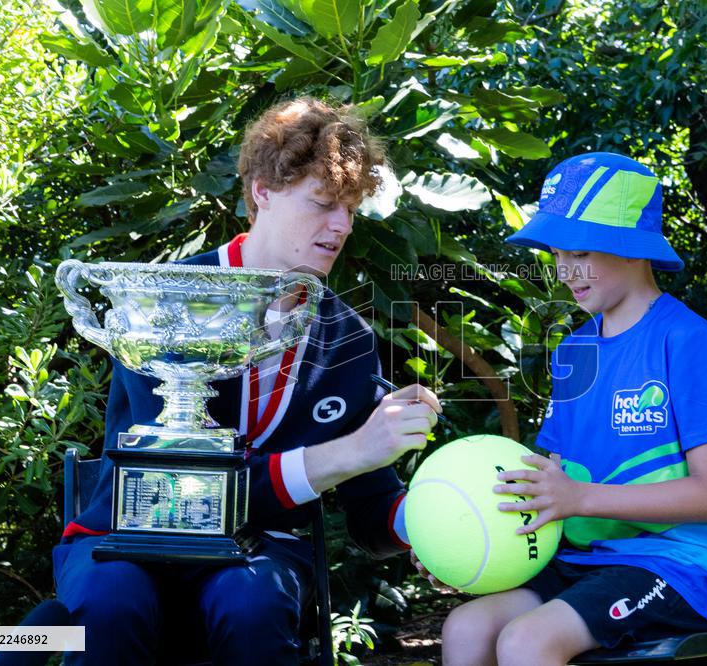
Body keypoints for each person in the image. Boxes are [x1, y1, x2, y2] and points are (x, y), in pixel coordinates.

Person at [54, 97, 440, 665]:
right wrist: (349, 452)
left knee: (251, 605)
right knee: (113, 604)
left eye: (351, 210)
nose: (340, 226)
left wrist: (440, 519)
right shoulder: (161, 300)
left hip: (261, 556)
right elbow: (175, 485)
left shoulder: (350, 340)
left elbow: (371, 509)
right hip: (124, 536)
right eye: (323, 203)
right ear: (262, 192)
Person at [435, 152, 707, 666]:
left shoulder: (687, 340)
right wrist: (462, 541)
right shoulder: (575, 353)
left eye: (579, 252)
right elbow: (551, 481)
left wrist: (580, 498)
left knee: (526, 641)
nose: (564, 272)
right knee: (466, 627)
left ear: (631, 248)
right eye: (556, 254)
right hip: (584, 561)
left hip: (676, 566)